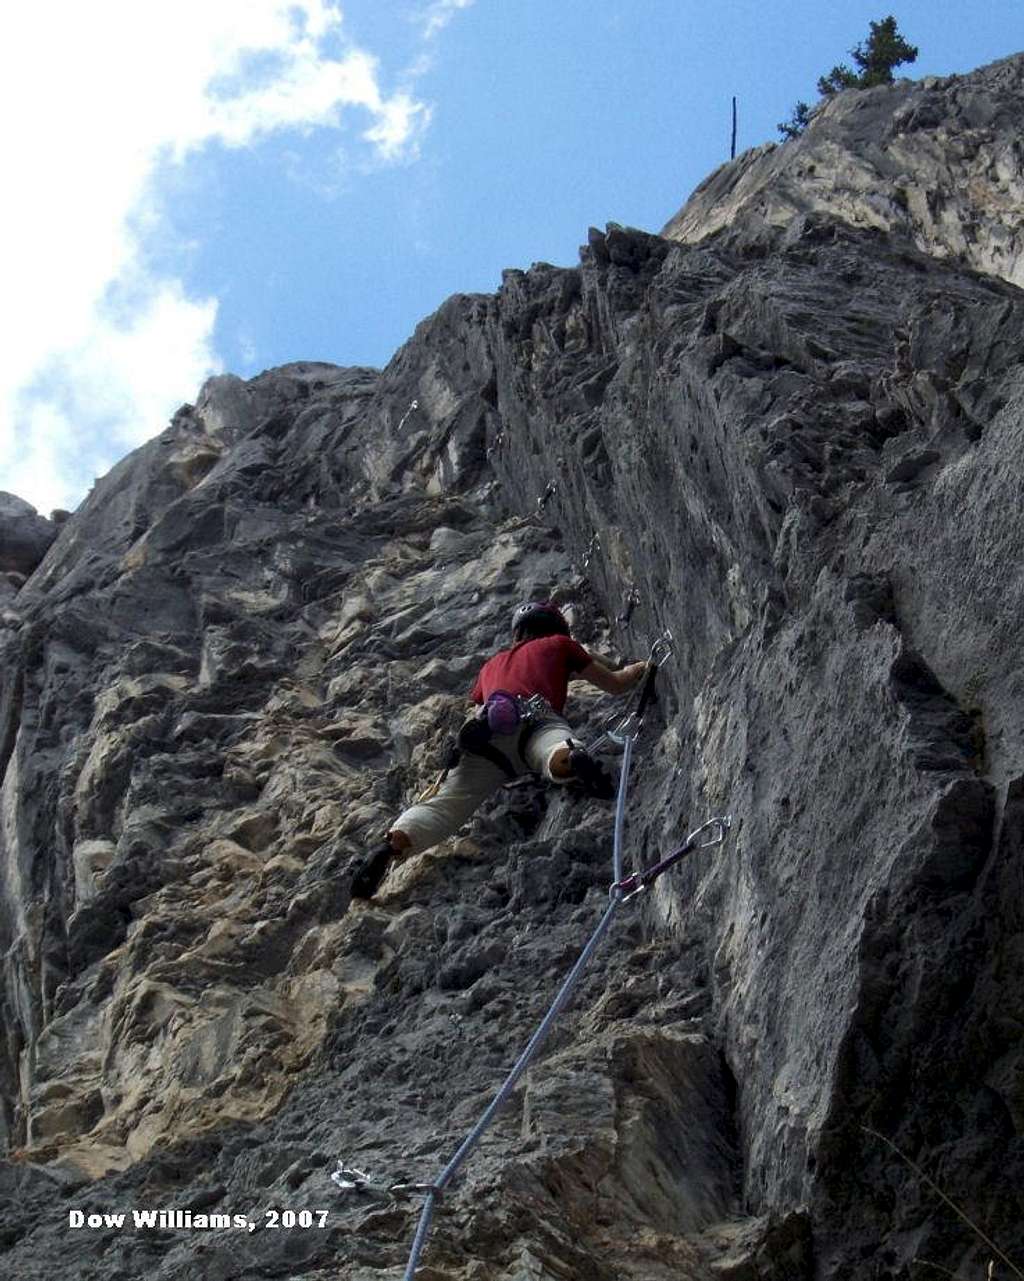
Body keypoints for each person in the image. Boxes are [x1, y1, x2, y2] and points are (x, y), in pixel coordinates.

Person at [350, 600, 651, 899]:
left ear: (518, 633)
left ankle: (391, 845)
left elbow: (475, 704)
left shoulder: (491, 665)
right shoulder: (561, 644)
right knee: (553, 746)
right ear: (556, 628)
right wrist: (641, 667)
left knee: (448, 804)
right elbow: (616, 683)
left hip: (490, 733)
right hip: (537, 719)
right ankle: (570, 759)